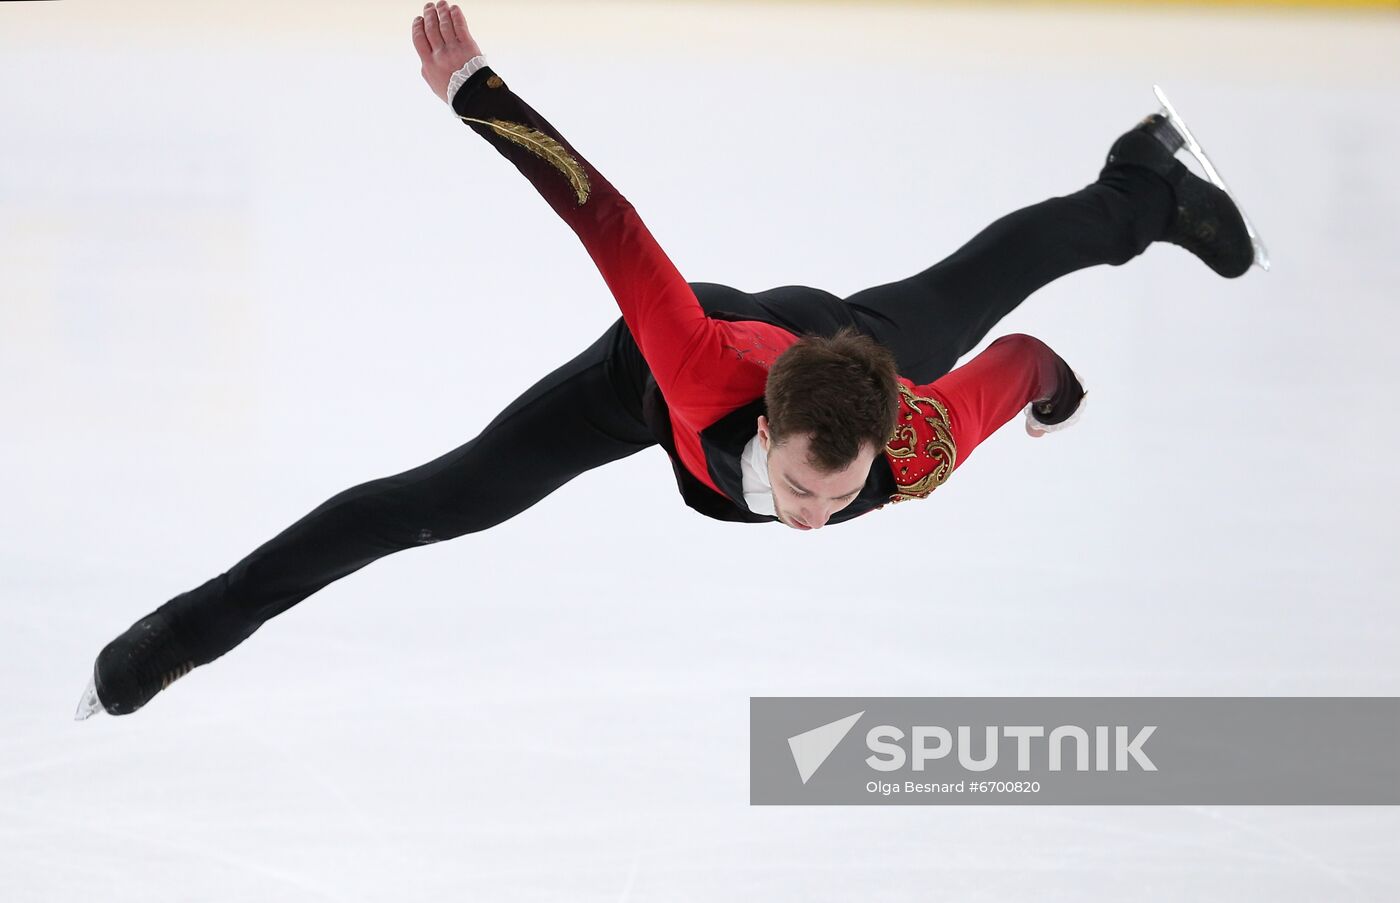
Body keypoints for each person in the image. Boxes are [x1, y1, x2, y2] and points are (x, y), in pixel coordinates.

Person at [76, 1, 1263, 719]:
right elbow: (606, 218)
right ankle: (179, 634)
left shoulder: (911, 441)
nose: (810, 518)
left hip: (836, 339)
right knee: (437, 502)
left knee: (973, 292)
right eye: (800, 488)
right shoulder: (693, 367)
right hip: (645, 382)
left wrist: (1052, 393)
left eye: (832, 496)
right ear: (772, 433)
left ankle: (1143, 183)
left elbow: (1020, 356)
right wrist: (480, 96)